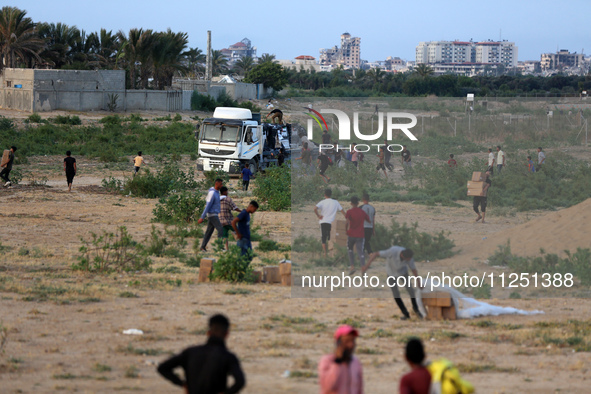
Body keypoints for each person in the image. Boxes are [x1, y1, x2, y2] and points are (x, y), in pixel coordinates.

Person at [157, 314, 245, 394]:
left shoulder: (190, 352)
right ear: (227, 334)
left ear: (208, 333)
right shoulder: (227, 356)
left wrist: (183, 384)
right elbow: (240, 382)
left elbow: (163, 368)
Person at [363, 247, 423, 320]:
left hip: (403, 273)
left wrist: (418, 282)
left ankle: (416, 310)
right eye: (407, 259)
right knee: (396, 294)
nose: (409, 261)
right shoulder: (392, 251)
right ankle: (405, 314)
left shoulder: (409, 258)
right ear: (402, 255)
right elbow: (376, 254)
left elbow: (413, 270)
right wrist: (366, 266)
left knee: (411, 291)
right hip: (391, 273)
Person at [318, 325, 363, 394]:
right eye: (347, 341)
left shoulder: (355, 362)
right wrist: (338, 361)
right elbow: (327, 387)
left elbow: (359, 390)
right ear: (338, 343)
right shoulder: (327, 361)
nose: (351, 345)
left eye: (352, 341)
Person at [314, 188, 346, 258]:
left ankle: (325, 253)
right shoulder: (335, 202)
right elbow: (342, 211)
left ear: (324, 195)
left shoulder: (322, 202)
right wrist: (347, 218)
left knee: (323, 237)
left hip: (323, 221)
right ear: (331, 194)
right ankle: (331, 252)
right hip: (331, 222)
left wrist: (318, 215)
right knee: (330, 238)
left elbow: (315, 208)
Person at [345, 196, 370, 276]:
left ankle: (352, 266)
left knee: (350, 249)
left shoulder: (349, 212)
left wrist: (346, 231)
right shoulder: (362, 212)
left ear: (351, 203)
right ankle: (363, 267)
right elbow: (368, 220)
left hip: (351, 233)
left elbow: (346, 222)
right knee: (360, 251)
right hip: (360, 234)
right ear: (358, 203)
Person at [198, 178, 224, 252]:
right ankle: (220, 247)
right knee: (220, 229)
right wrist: (202, 217)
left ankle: (203, 247)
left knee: (209, 232)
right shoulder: (212, 193)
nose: (221, 185)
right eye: (220, 184)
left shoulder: (216, 192)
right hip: (212, 215)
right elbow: (208, 205)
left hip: (214, 214)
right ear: (217, 183)